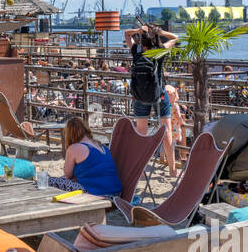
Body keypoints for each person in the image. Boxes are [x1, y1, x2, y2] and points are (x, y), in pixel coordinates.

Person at [126, 23, 178, 169]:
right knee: (166, 131)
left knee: (141, 133)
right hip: (159, 94)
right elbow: (175, 38)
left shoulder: (136, 50)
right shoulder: (159, 51)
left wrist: (138, 30)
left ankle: (140, 168)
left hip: (140, 96)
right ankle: (172, 168)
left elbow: (126, 34)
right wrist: (161, 32)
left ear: (141, 39)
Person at [47, 116, 121, 198]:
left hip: (96, 194)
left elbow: (68, 175)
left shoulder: (74, 148)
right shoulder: (102, 146)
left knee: (48, 181)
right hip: (116, 194)